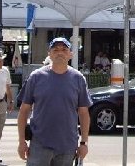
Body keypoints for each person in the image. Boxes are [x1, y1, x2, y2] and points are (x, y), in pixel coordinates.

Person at [17, 37, 92, 166]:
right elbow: (24, 110)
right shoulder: (36, 77)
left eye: (64, 49)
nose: (60, 52)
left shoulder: (78, 79)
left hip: (67, 146)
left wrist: (84, 143)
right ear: (49, 54)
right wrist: (22, 141)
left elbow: (84, 113)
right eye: (55, 49)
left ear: (70, 54)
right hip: (39, 144)